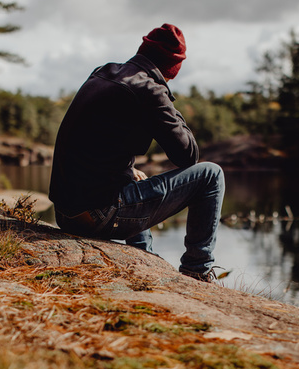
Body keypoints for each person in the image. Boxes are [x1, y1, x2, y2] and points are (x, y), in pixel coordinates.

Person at [49, 23, 225, 283]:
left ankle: (144, 259)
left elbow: (91, 144)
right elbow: (189, 155)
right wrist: (167, 97)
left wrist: (129, 171)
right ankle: (196, 271)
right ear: (173, 66)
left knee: (134, 177)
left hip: (65, 212)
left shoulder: (103, 72)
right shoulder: (150, 90)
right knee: (212, 175)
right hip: (99, 215)